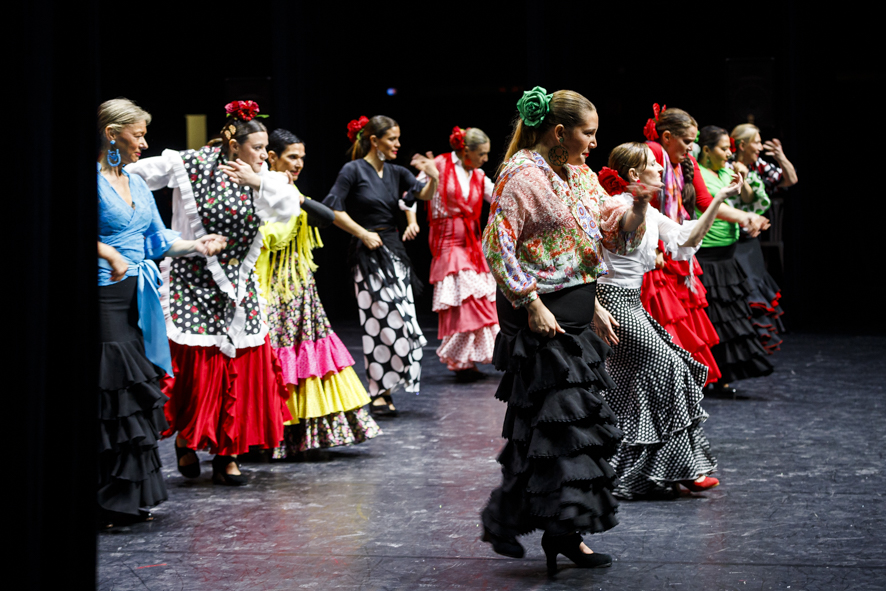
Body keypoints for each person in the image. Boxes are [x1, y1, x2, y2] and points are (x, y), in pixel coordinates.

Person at [480, 87, 648, 575]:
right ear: (559, 132)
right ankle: (512, 520)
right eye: (587, 133)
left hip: (575, 312)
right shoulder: (520, 175)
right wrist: (530, 302)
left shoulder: (578, 175)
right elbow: (497, 246)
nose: (595, 142)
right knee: (553, 428)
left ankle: (561, 534)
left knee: (565, 435)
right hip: (540, 315)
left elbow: (604, 237)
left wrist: (636, 205)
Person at [127, 100, 301, 485]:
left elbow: (289, 208)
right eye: (256, 147)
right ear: (232, 143)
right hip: (192, 283)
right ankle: (187, 442)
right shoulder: (188, 164)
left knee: (239, 366)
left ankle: (228, 453)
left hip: (239, 288)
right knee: (195, 370)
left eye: (264, 148)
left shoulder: (265, 177)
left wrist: (257, 178)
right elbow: (136, 173)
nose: (263, 154)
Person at [97, 98, 226, 524]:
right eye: (138, 134)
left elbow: (159, 239)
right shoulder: (91, 179)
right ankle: (106, 496)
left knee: (135, 392)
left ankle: (124, 500)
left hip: (140, 295)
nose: (144, 143)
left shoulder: (134, 184)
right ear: (112, 134)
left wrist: (198, 245)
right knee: (116, 390)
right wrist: (107, 252)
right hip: (104, 294)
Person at [594, 142, 737, 499]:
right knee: (669, 365)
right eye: (654, 166)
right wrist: (640, 202)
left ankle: (630, 466)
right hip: (613, 302)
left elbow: (686, 238)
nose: (661, 170)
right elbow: (626, 230)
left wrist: (718, 201)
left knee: (634, 387)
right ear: (633, 176)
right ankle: (679, 467)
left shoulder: (651, 212)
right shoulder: (616, 206)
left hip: (633, 302)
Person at [256, 128, 381, 456]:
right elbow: (271, 237)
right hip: (272, 285)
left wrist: (299, 201)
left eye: (301, 158)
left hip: (298, 284)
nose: (298, 164)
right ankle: (275, 434)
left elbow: (322, 217)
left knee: (304, 356)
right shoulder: (266, 187)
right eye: (291, 157)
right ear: (272, 156)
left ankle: (304, 433)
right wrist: (293, 206)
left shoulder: (289, 187)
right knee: (278, 357)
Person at [641, 105, 769, 391]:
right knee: (663, 322)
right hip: (656, 252)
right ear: (667, 137)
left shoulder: (686, 163)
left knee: (685, 321)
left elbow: (704, 201)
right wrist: (652, 246)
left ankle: (681, 386)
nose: (692, 147)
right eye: (687, 141)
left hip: (679, 250)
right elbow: (640, 204)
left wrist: (745, 216)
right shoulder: (652, 153)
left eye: (693, 141)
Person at [322, 115, 439, 416]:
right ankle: (379, 391)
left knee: (402, 320)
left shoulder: (396, 171)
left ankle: (390, 386)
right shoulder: (353, 170)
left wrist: (433, 176)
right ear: (374, 141)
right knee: (377, 323)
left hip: (394, 251)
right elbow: (332, 208)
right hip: (366, 253)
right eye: (392, 139)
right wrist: (362, 232)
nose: (398, 144)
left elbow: (420, 195)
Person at [695, 125, 774, 387]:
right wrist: (746, 217)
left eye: (730, 148)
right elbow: (712, 207)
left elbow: (748, 198)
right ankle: (708, 376)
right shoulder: (699, 174)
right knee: (712, 319)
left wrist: (743, 177)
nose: (729, 153)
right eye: (723, 148)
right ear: (706, 150)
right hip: (707, 254)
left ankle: (724, 375)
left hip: (729, 253)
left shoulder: (727, 170)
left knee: (729, 318)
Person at [419, 126, 499, 381]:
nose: (485, 158)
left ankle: (464, 359)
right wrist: (411, 218)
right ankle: (458, 356)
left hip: (471, 243)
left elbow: (498, 195)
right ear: (466, 150)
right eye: (482, 154)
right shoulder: (439, 164)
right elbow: (411, 194)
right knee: (464, 298)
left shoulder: (478, 175)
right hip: (447, 239)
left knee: (480, 298)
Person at [728, 123, 798, 351]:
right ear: (742, 144)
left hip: (749, 238)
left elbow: (790, 180)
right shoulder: (727, 165)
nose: (759, 146)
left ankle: (751, 341)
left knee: (755, 288)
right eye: (756, 142)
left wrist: (780, 157)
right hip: (729, 237)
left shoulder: (760, 166)